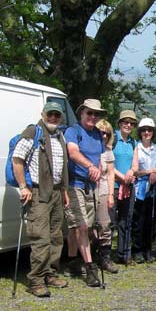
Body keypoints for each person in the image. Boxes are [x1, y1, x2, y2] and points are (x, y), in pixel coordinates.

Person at [12, 102, 70, 297]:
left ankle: (50, 274)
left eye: (57, 115)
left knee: (56, 236)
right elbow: (17, 160)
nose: (53, 118)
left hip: (56, 192)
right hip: (38, 192)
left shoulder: (59, 135)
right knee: (40, 238)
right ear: (43, 114)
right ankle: (36, 280)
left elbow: (61, 168)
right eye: (50, 114)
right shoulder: (32, 132)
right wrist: (23, 187)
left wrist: (63, 191)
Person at [64, 99, 107, 287]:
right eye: (89, 113)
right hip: (74, 184)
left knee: (81, 227)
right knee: (81, 226)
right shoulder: (73, 131)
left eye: (95, 114)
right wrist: (90, 166)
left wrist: (98, 171)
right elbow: (72, 153)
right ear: (81, 113)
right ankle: (90, 268)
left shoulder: (98, 135)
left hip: (90, 186)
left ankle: (73, 260)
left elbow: (100, 158)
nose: (92, 117)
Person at [131, 118, 156, 263]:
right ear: (140, 132)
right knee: (139, 219)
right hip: (140, 188)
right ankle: (137, 249)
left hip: (154, 188)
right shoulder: (136, 148)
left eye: (149, 130)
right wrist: (151, 171)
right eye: (144, 130)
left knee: (151, 219)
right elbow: (135, 170)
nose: (146, 132)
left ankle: (148, 249)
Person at [93, 119, 119, 274]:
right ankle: (88, 257)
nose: (103, 135)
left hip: (103, 189)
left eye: (106, 133)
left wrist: (110, 194)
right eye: (100, 132)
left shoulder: (108, 151)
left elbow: (110, 173)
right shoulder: (86, 148)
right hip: (88, 190)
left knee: (104, 225)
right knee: (88, 227)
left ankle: (105, 257)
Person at [113, 110, 138, 264]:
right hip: (113, 186)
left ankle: (124, 254)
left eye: (131, 123)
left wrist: (131, 172)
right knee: (108, 222)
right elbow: (106, 161)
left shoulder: (133, 142)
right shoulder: (112, 138)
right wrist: (121, 177)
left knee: (126, 221)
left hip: (128, 186)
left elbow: (135, 163)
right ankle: (104, 254)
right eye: (125, 122)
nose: (128, 125)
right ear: (120, 123)